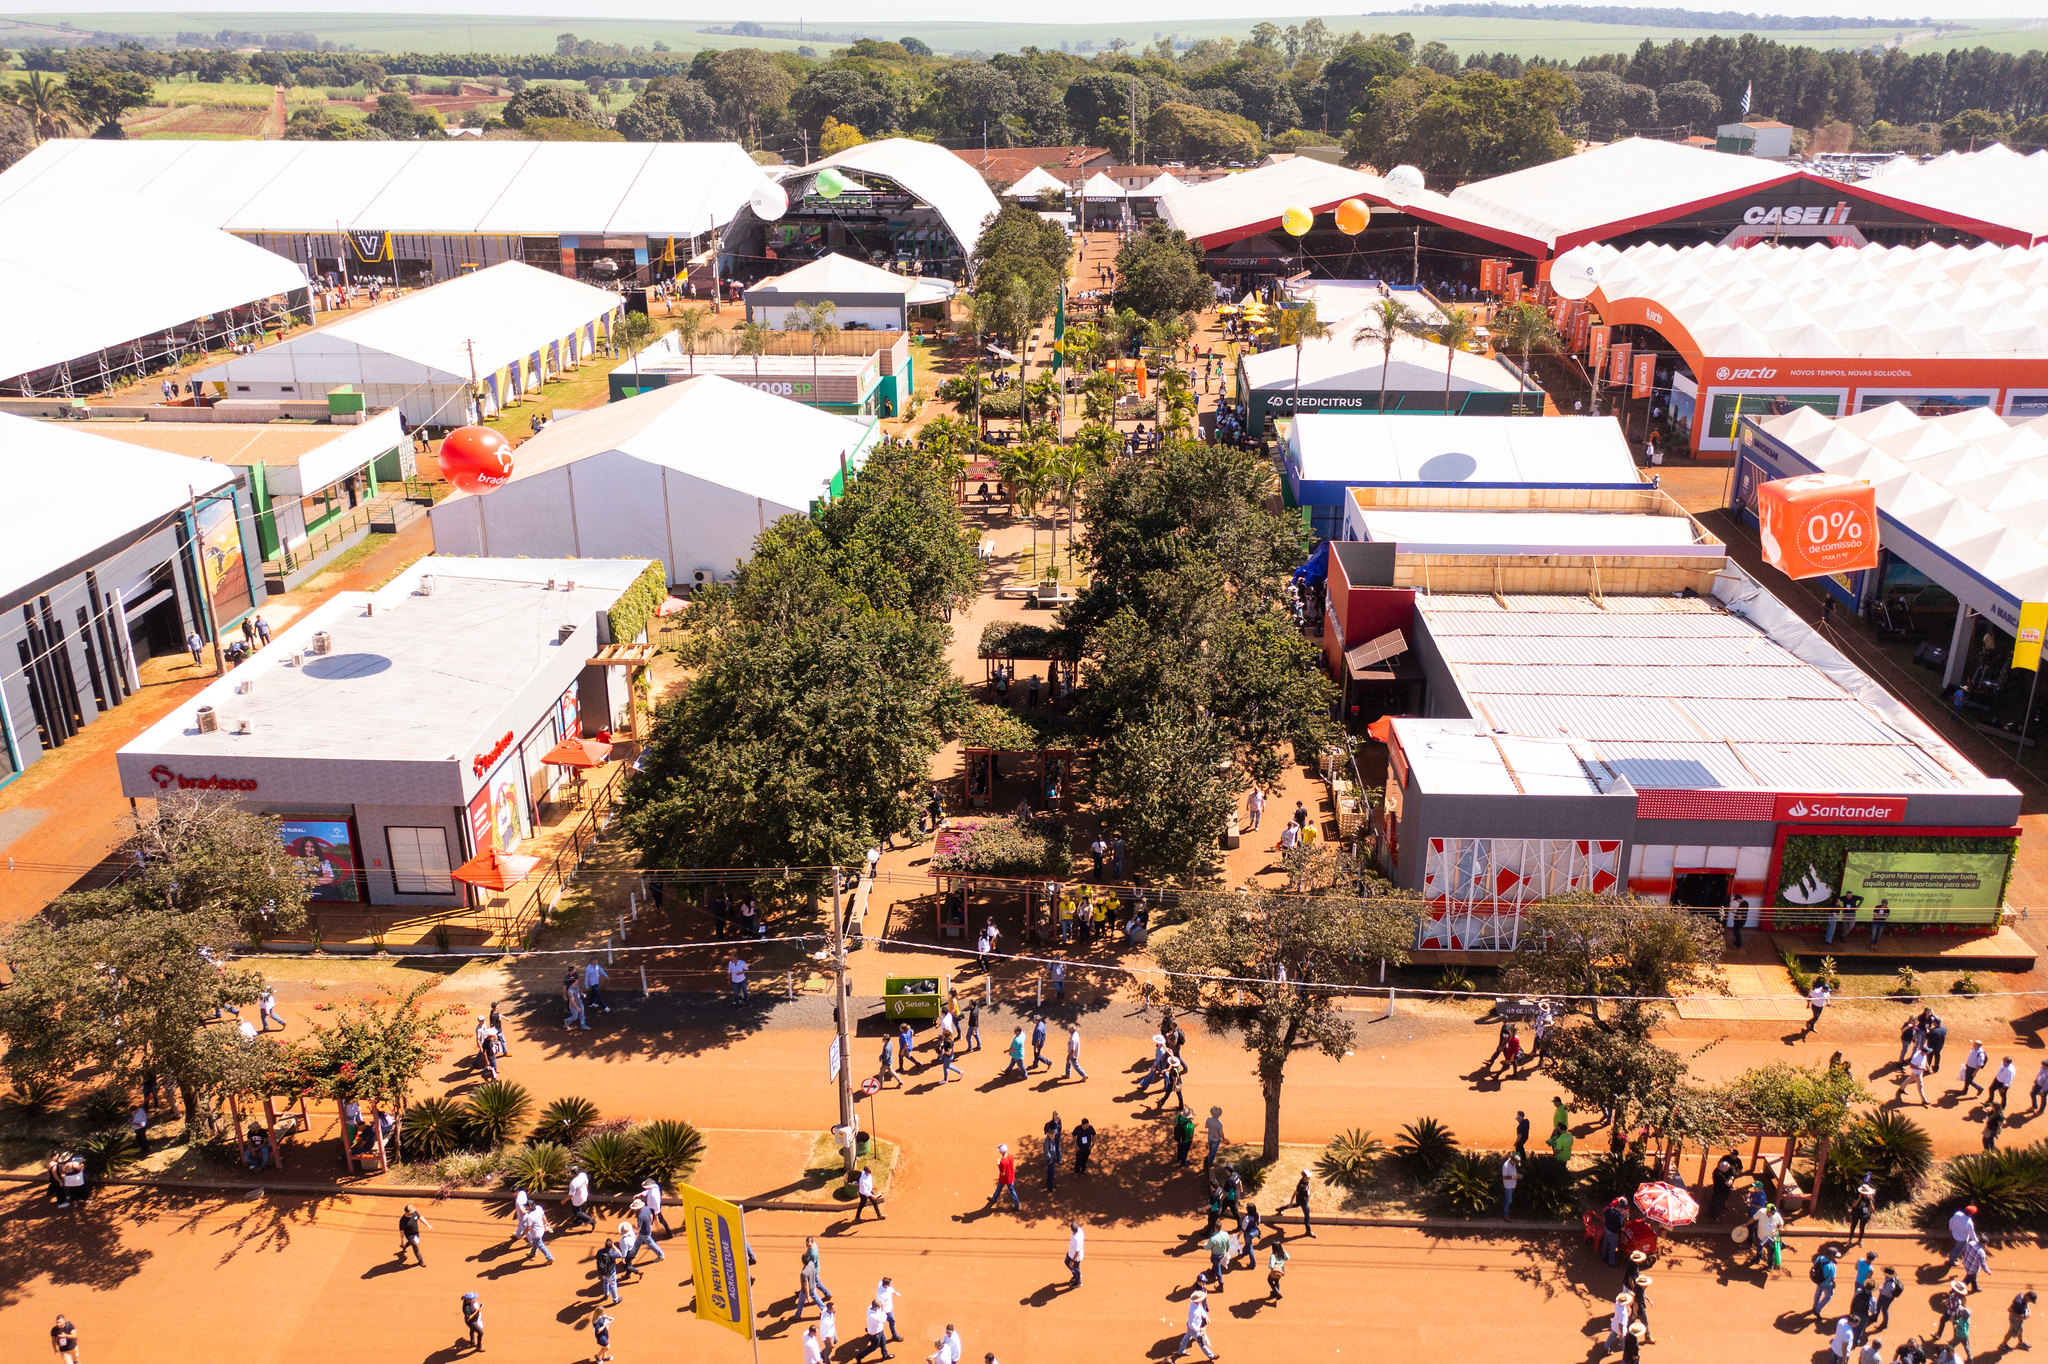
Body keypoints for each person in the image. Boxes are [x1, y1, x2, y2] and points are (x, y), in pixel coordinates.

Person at [1171, 1290, 1217, 1362]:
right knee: (1201, 1343)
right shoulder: (1193, 1312)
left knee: (1186, 1337)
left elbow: (1201, 1309)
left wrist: (1206, 1317)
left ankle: (1180, 1351)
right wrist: (1199, 1330)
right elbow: (1192, 1324)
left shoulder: (1194, 1303)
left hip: (1190, 1327)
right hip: (1194, 1329)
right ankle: (1211, 1356)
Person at [1277, 1167, 1315, 1236]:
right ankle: (1308, 1231)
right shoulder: (1300, 1186)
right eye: (1308, 1176)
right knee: (1307, 1215)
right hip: (1303, 1202)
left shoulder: (1307, 1181)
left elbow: (1308, 1187)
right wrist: (1291, 1202)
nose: (1310, 1177)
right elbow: (1295, 1193)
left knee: (1295, 1205)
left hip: (1304, 1200)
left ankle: (1280, 1209)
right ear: (1305, 1177)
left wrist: (1308, 1193)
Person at [990, 1143, 1020, 1210]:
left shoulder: (1003, 1162)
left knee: (998, 1189)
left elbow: (1002, 1173)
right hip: (1011, 1177)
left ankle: (994, 1198)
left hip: (1004, 1179)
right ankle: (1017, 1206)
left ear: (1001, 1152)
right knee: (1012, 1191)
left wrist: (998, 1165)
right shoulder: (1010, 1156)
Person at [1204, 1106, 1225, 1173]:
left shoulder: (1208, 1120)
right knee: (1214, 1151)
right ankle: (1211, 1162)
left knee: (1211, 1148)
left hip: (1210, 1137)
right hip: (1216, 1139)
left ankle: (1210, 1157)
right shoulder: (1219, 1124)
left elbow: (1206, 1126)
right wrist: (1223, 1138)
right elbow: (1221, 1133)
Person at [1065, 1219, 1085, 1287]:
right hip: (1071, 1253)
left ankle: (1078, 1282)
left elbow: (1077, 1251)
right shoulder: (1079, 1230)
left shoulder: (1076, 1239)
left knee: (1075, 1268)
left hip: (1075, 1257)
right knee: (1067, 1262)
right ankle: (1076, 1275)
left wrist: (1072, 1260)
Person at [1500, 1153, 1520, 1218]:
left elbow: (1514, 1171)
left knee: (1507, 1200)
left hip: (1512, 1185)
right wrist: (1513, 1177)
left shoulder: (1513, 1164)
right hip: (1508, 1186)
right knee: (1509, 1200)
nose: (1516, 1164)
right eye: (1516, 1162)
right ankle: (1505, 1215)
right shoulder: (1506, 1166)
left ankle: (1505, 1210)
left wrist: (1517, 1175)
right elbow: (1504, 1177)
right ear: (1512, 1160)